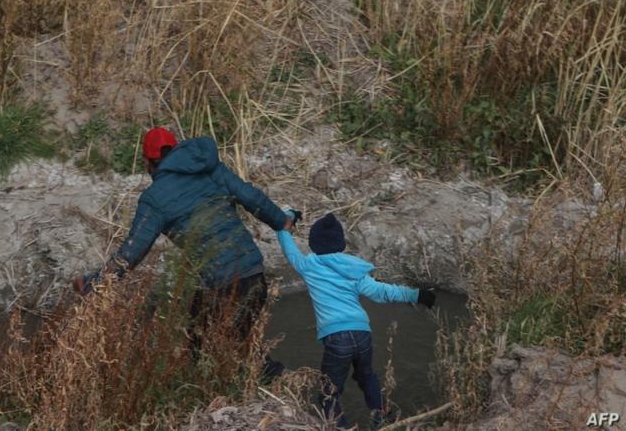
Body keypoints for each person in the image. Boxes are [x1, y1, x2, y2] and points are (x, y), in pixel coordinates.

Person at [73, 127, 293, 372]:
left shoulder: (154, 198)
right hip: (253, 273)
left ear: (148, 162)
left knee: (221, 346)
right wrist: (281, 221)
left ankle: (267, 383)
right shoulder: (210, 169)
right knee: (210, 335)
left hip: (222, 286)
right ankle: (235, 383)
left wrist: (92, 283)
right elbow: (251, 197)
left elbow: (131, 254)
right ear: (176, 149)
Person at [276, 212, 435, 428]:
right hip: (362, 334)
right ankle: (383, 417)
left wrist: (285, 221)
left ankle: (339, 426)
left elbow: (289, 250)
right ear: (341, 244)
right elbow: (382, 292)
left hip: (336, 339)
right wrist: (417, 295)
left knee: (328, 393)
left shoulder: (308, 266)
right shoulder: (353, 270)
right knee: (367, 376)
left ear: (313, 244)